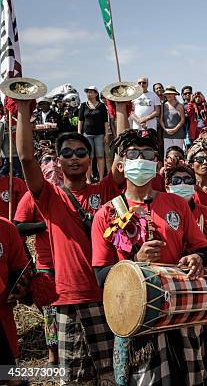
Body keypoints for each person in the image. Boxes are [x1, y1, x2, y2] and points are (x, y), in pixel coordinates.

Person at [15, 95, 130, 383]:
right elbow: (27, 158)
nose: (74, 157)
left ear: (91, 159)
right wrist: (23, 107)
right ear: (58, 160)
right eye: (67, 153)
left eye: (81, 152)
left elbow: (122, 156)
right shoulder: (49, 196)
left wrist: (119, 108)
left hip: (106, 297)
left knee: (111, 376)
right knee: (75, 379)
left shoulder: (105, 191)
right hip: (68, 299)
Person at [91, 128, 207, 386]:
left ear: (157, 164)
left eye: (148, 154)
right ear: (120, 164)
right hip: (136, 318)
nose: (141, 159)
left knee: (188, 379)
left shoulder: (176, 204)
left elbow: (201, 247)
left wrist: (197, 257)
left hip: (180, 312)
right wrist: (135, 261)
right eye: (134, 154)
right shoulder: (106, 213)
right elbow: (101, 276)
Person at [164, 163, 207, 385]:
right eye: (177, 181)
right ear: (167, 185)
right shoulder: (161, 213)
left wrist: (201, 254)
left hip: (204, 286)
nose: (183, 185)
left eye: (187, 181)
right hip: (174, 290)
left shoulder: (206, 213)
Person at [14, 144, 63, 367]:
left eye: (54, 159)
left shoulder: (72, 188)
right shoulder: (31, 195)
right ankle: (53, 354)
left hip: (74, 263)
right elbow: (18, 226)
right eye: (46, 160)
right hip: (48, 264)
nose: (52, 165)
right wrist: (45, 225)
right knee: (50, 313)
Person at [0, 217, 29, 374]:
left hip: (6, 332)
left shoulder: (6, 228)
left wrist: (22, 289)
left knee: (9, 376)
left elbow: (18, 267)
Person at [78, 86, 111, 182]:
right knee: (89, 157)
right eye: (87, 92)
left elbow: (105, 121)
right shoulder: (83, 105)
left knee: (100, 156)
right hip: (87, 134)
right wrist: (79, 133)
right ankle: (88, 179)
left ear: (96, 94)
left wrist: (106, 134)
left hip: (99, 134)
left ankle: (101, 178)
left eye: (91, 92)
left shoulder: (101, 106)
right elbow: (80, 120)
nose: (89, 94)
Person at [160, 85, 186, 152]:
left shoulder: (180, 105)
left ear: (174, 94)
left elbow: (182, 120)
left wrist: (175, 129)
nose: (168, 95)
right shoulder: (163, 105)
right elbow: (161, 119)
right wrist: (165, 129)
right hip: (166, 134)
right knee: (167, 153)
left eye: (170, 93)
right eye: (167, 94)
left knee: (178, 153)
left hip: (178, 134)